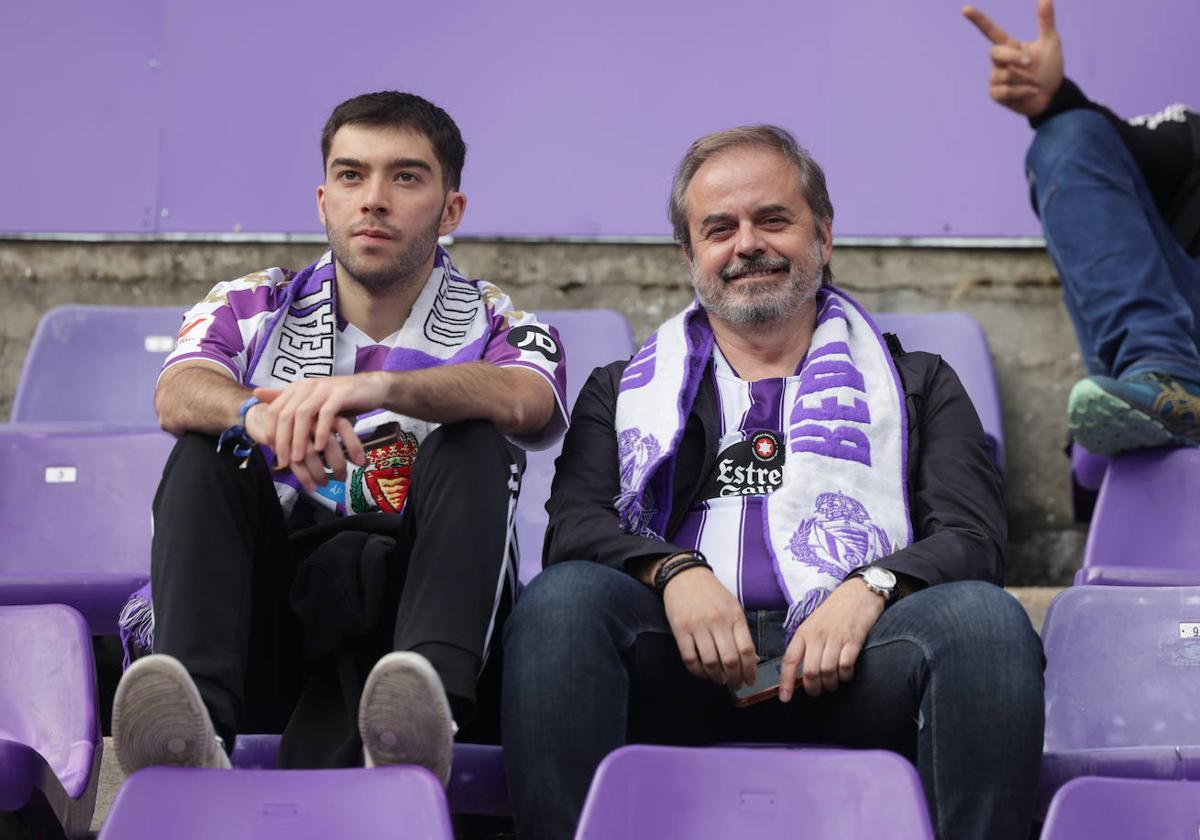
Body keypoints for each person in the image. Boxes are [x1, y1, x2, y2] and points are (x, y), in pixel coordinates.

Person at [502, 125, 1044, 840]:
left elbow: (973, 537)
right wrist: (671, 571)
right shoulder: (621, 390)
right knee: (560, 604)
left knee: (983, 622)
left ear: (823, 238)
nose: (747, 243)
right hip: (676, 658)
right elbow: (576, 525)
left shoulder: (918, 386)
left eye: (773, 219)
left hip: (860, 663)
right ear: (691, 255)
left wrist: (871, 588)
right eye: (719, 228)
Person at [110, 91, 568, 781]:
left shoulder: (497, 318)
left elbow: (530, 399)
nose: (374, 200)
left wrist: (383, 388)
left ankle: (425, 718)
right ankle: (195, 731)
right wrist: (253, 416)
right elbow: (176, 392)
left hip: (430, 615)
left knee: (477, 439)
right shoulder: (252, 302)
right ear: (324, 200)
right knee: (207, 447)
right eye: (352, 176)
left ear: (451, 211)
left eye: (405, 177)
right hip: (279, 615)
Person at [965, 0, 1200, 456]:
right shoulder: (1190, 139)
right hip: (1182, 356)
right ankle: (1167, 383)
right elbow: (1108, 148)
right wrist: (1055, 102)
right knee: (1068, 137)